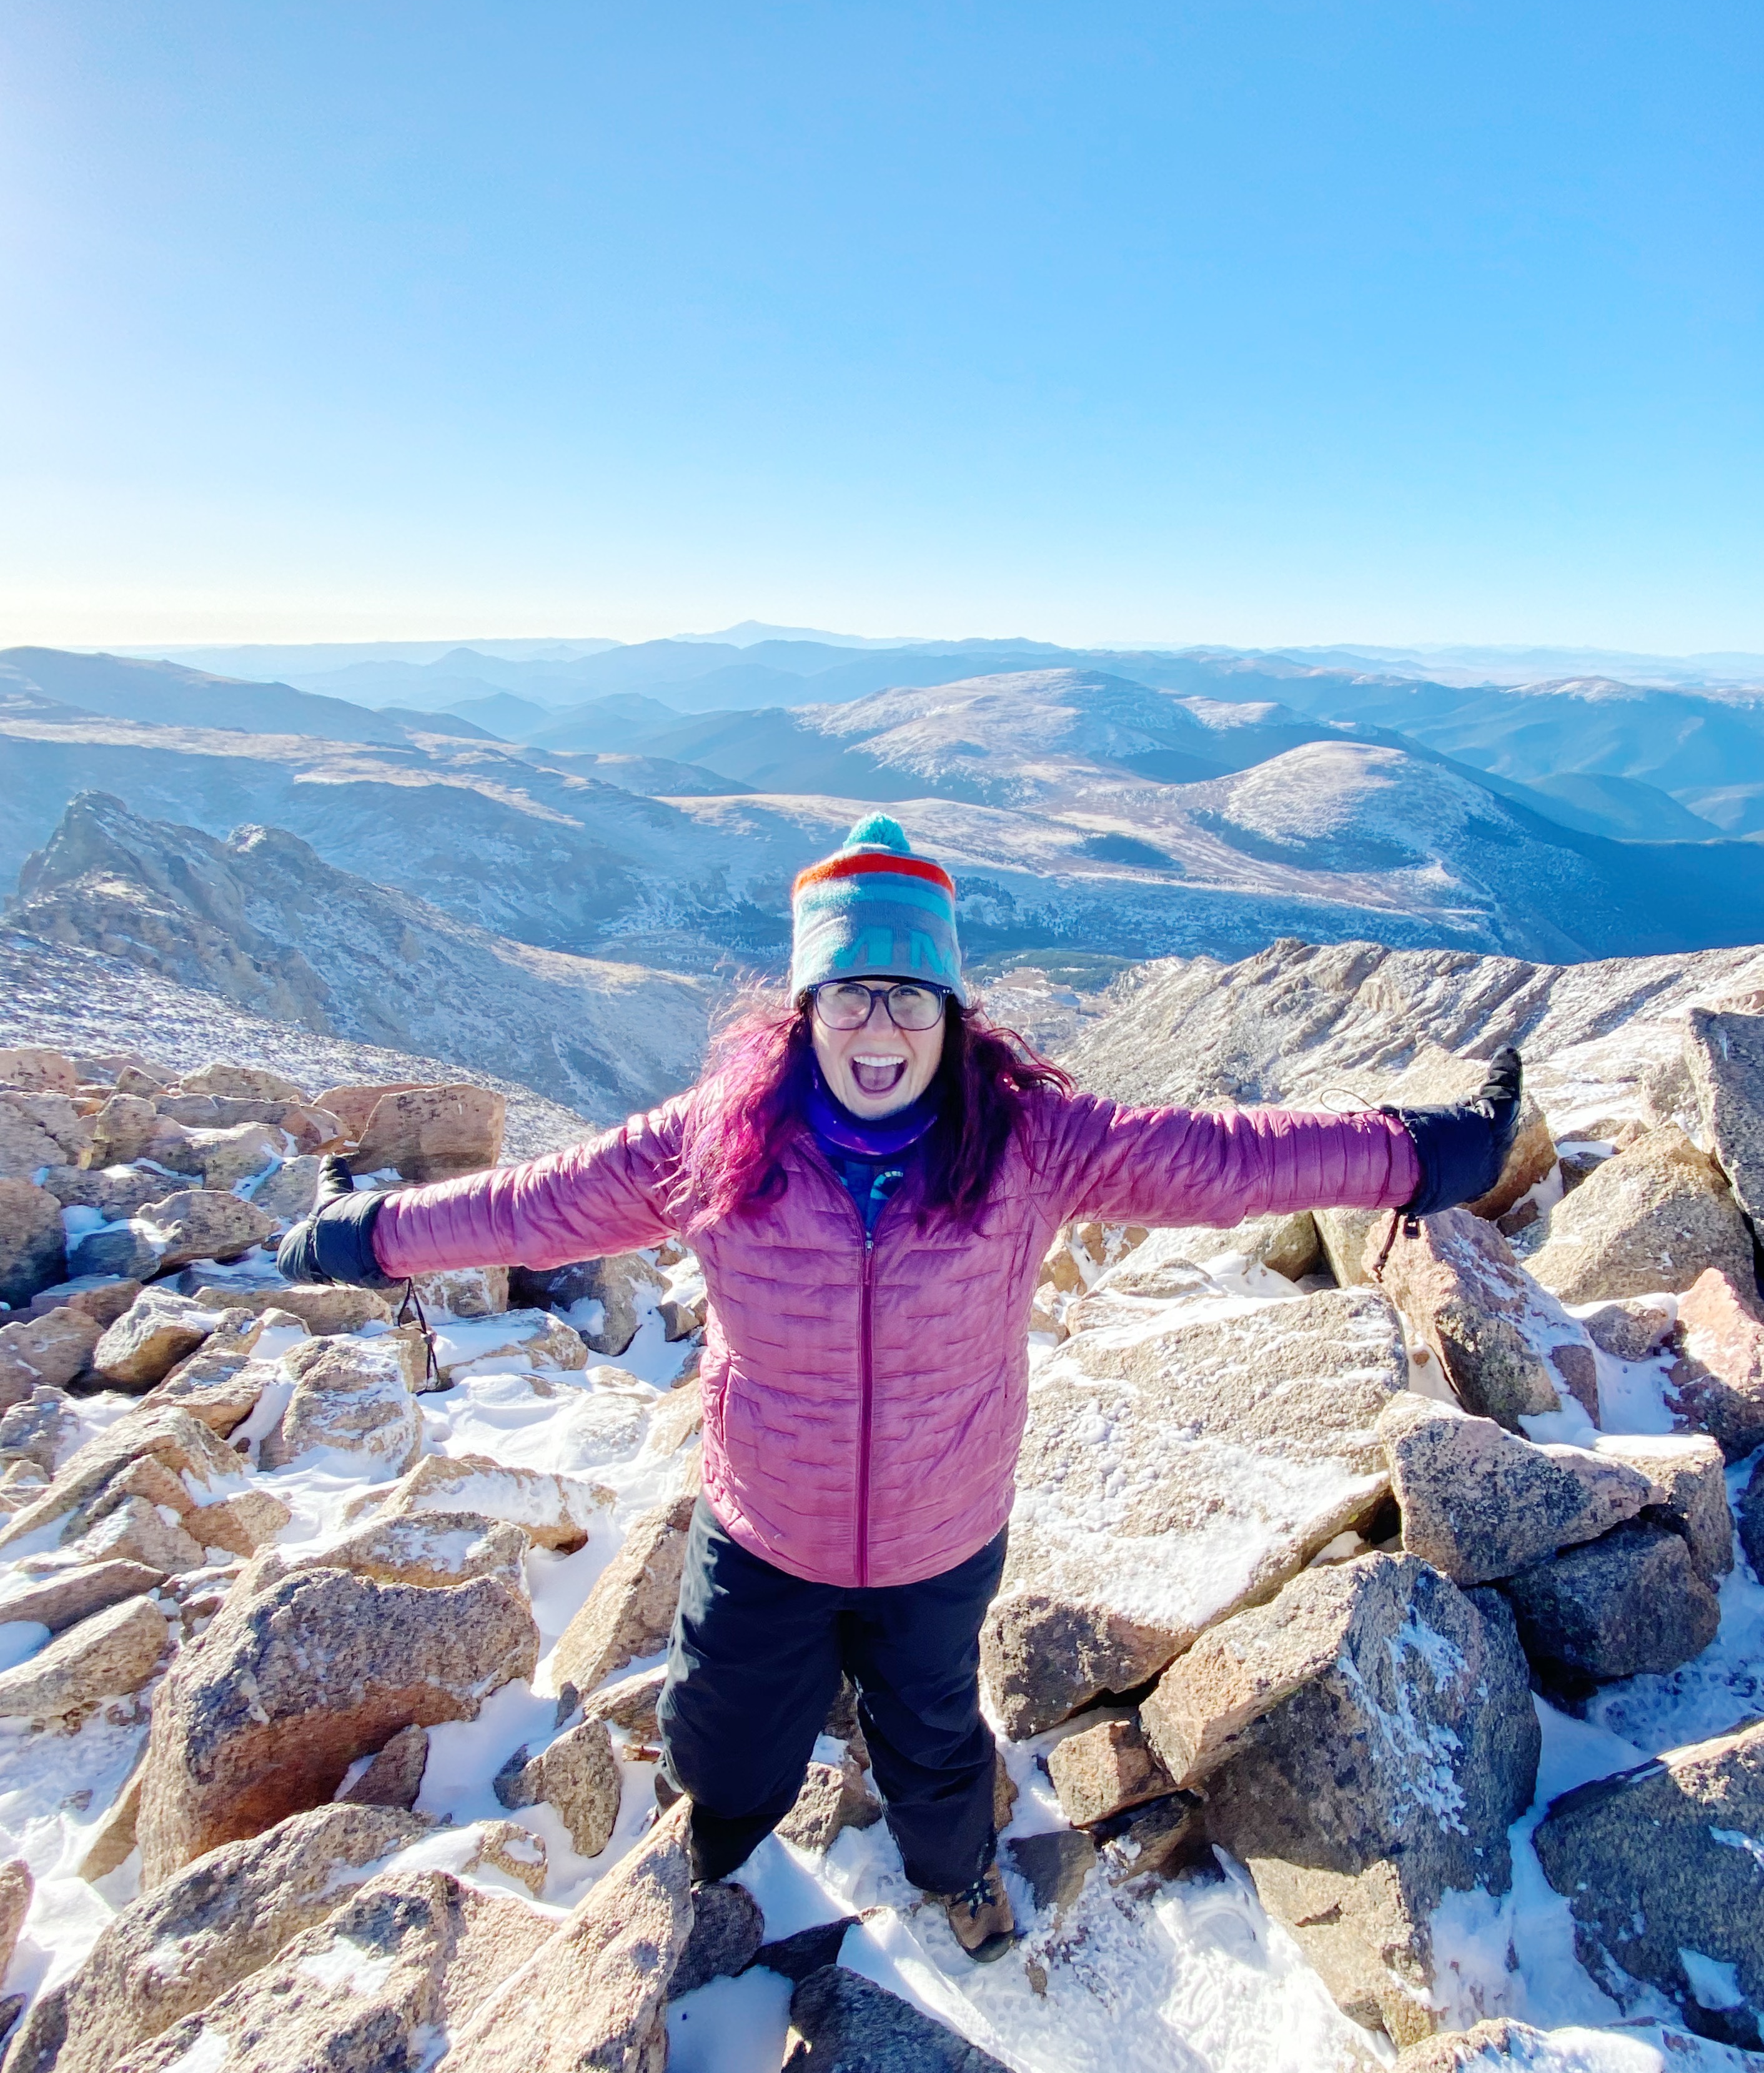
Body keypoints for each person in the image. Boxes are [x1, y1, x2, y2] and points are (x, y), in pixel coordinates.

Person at [279, 814, 1522, 1961]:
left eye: (909, 996)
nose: (879, 1026)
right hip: (765, 1528)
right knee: (721, 1734)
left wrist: (1419, 1154)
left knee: (932, 1734)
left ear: (950, 1011)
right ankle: (711, 1862)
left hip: (940, 1536)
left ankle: (957, 1872)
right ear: (807, 1008)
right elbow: (533, 1207)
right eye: (849, 993)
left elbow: (1222, 1161)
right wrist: (366, 1237)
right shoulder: (716, 1144)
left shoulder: (1029, 1141)